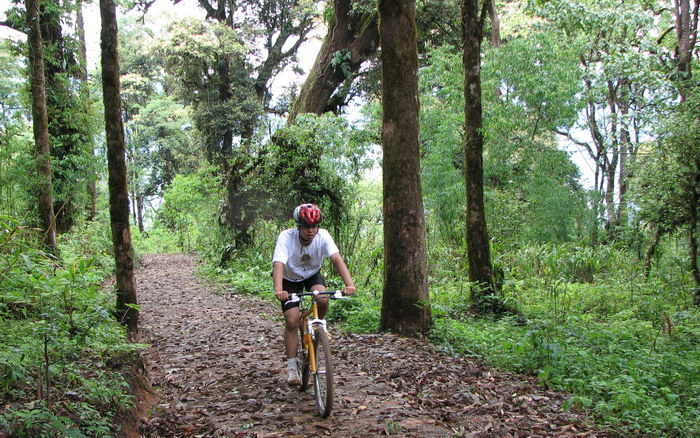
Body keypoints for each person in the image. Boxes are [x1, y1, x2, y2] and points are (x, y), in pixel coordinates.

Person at [272, 203, 356, 385]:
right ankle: (292, 367)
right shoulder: (286, 237)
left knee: (322, 298)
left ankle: (318, 327)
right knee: (292, 320)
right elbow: (278, 264)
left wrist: (349, 284)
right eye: (306, 227)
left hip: (311, 275)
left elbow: (336, 259)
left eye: (314, 226)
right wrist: (279, 290)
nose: (311, 231)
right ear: (298, 227)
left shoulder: (323, 236)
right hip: (289, 279)